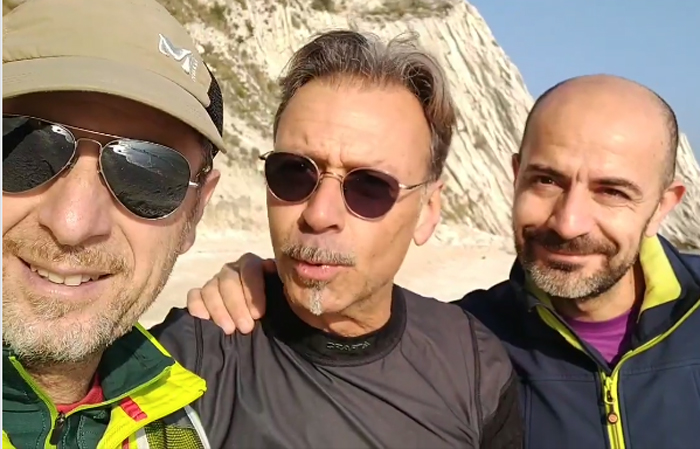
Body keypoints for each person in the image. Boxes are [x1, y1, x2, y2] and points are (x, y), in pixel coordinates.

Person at [187, 74, 700, 449]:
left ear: (663, 206)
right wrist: (259, 283)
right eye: (546, 180)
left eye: (611, 191)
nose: (568, 222)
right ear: (516, 176)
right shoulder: (472, 347)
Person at [150, 30, 523, 449]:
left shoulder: (475, 368)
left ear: (428, 211)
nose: (319, 214)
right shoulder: (184, 366)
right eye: (294, 173)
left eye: (369, 187)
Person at [2, 0, 225, 447]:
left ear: (195, 212)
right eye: (26, 149)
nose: (72, 224)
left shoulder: (179, 428)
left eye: (147, 173)